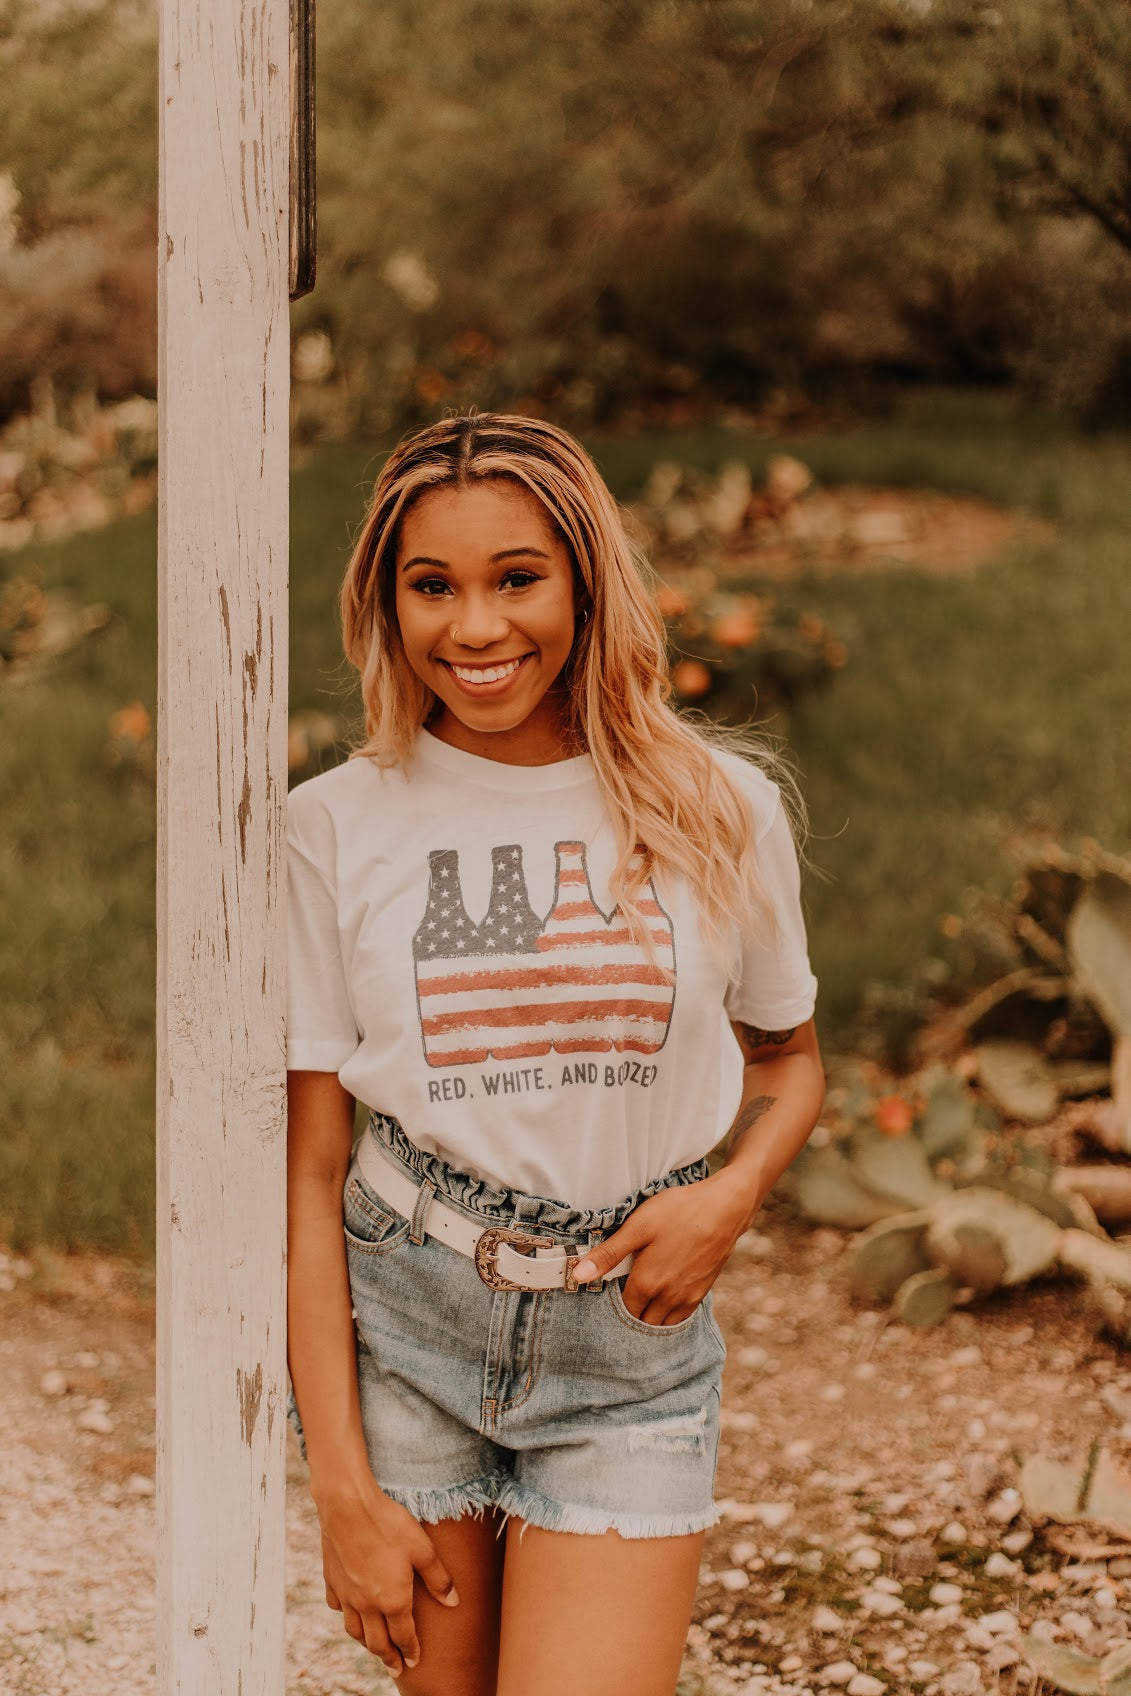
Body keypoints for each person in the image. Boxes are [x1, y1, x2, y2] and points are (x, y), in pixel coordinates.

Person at [285, 411, 825, 1696]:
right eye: (433, 586)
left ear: (585, 581)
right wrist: (340, 1486)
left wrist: (728, 1200)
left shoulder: (719, 806)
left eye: (516, 578)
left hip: (628, 1351)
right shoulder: (335, 825)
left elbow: (794, 1060)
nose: (475, 629)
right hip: (410, 1321)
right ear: (388, 602)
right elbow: (310, 1168)